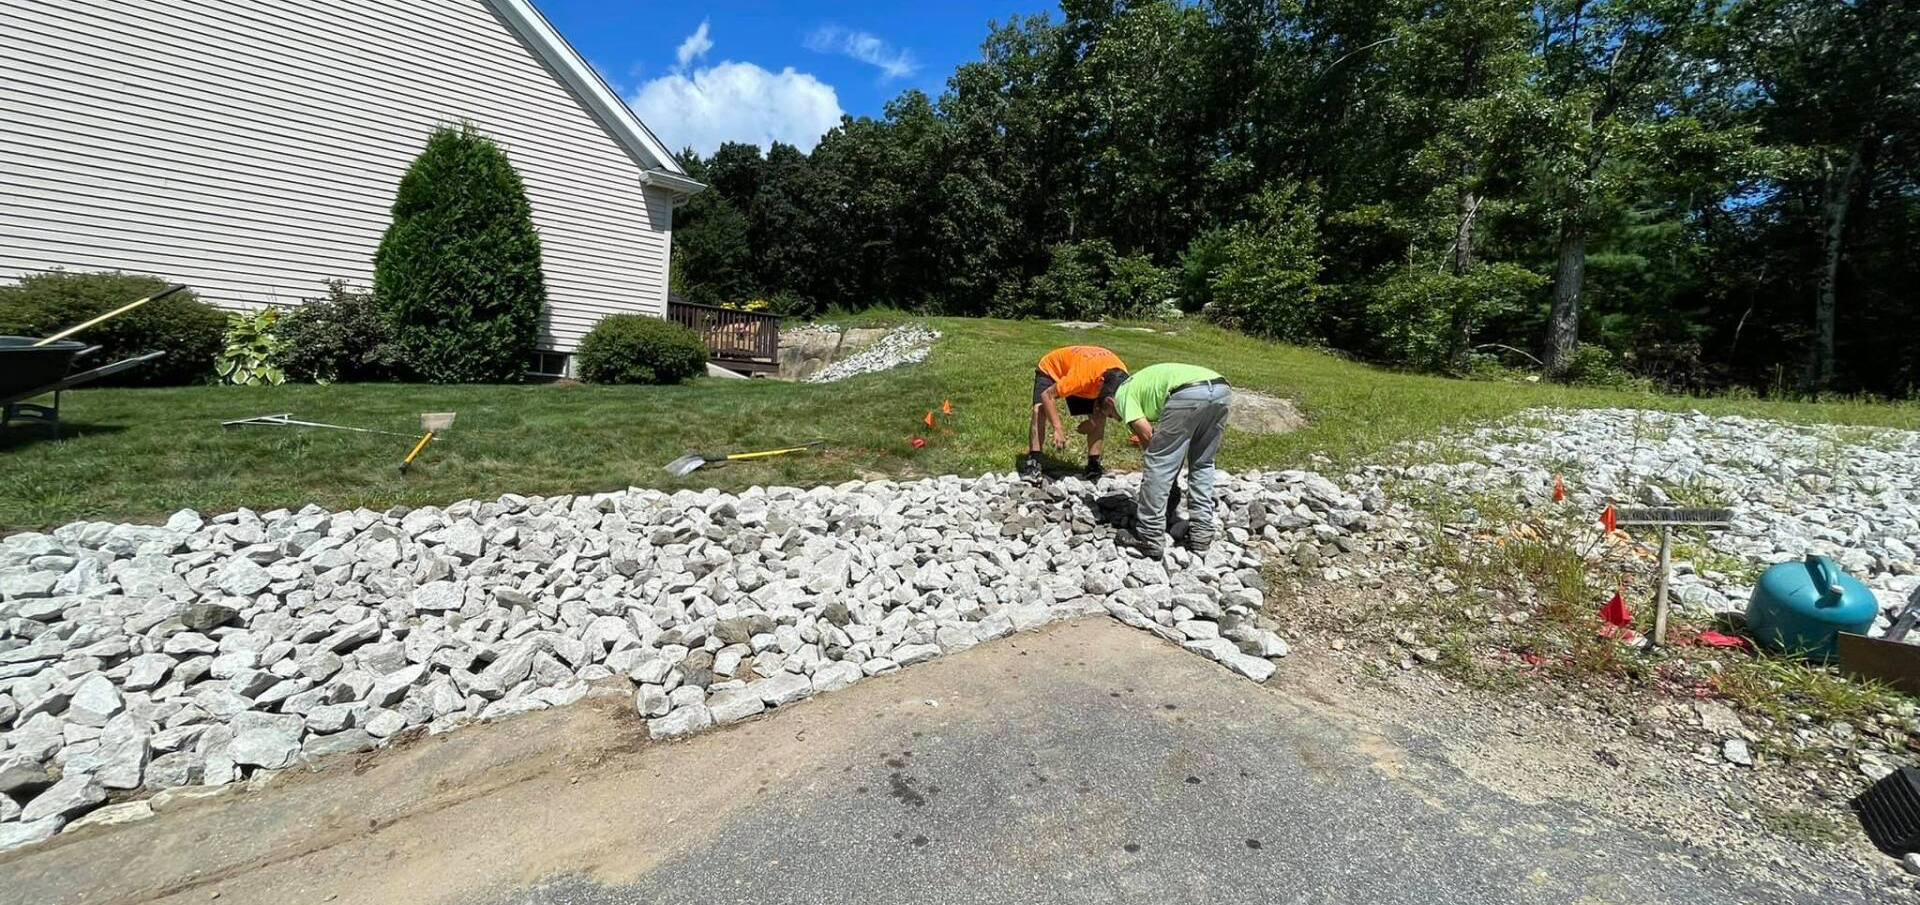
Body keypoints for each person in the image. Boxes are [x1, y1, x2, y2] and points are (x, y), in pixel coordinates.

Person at [1102, 362, 1233, 558]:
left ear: (1109, 402)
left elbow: (1147, 436)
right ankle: (1201, 535)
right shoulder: (1140, 382)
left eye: (1111, 416)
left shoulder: (1122, 396)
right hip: (1221, 389)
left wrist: (1164, 479)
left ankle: (1149, 536)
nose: (1117, 419)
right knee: (1203, 463)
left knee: (1159, 465)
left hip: (1186, 394)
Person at [1024, 345, 1129, 480]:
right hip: (1052, 369)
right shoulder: (1081, 377)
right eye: (1112, 414)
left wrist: (1094, 422)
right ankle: (1033, 461)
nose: (1115, 419)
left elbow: (1103, 405)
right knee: (1040, 409)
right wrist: (1058, 429)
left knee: (1101, 415)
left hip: (1090, 376)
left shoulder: (1122, 379)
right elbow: (1047, 396)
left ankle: (1093, 464)